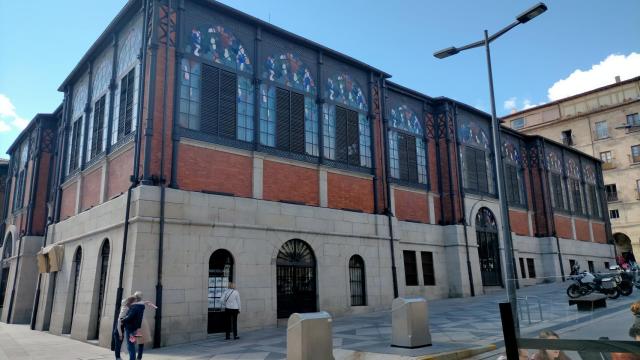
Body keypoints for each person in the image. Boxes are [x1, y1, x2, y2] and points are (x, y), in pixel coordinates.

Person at [132, 291, 157, 360]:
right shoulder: (141, 304)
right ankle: (139, 358)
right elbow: (152, 305)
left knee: (132, 341)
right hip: (141, 325)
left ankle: (133, 357)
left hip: (136, 325)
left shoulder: (133, 304)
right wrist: (154, 306)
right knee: (140, 342)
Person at [121, 295, 146, 360]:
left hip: (130, 328)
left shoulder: (134, 308)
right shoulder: (141, 307)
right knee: (135, 343)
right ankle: (138, 357)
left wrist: (123, 320)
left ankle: (133, 358)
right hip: (137, 328)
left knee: (130, 346)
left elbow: (129, 317)